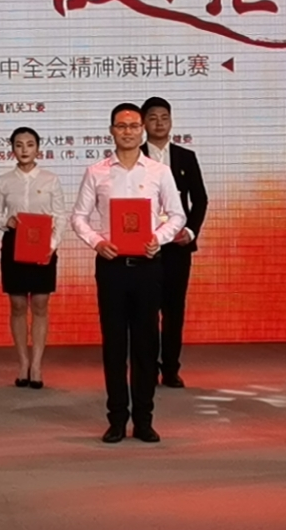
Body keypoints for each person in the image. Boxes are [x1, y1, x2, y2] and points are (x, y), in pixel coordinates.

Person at [72, 103, 186, 444]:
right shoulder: (96, 172)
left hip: (148, 267)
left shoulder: (158, 171)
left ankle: (145, 419)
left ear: (142, 130)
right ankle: (117, 418)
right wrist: (97, 242)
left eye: (134, 126)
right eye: (121, 126)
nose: (128, 132)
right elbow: (78, 217)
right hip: (111, 268)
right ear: (111, 131)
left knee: (146, 345)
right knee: (114, 344)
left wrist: (158, 239)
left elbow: (177, 215)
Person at [0, 127, 63, 389]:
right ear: (12, 149)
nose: (24, 150)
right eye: (19, 145)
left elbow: (60, 216)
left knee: (40, 304)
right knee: (18, 304)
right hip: (14, 245)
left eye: (30, 144)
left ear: (38, 149)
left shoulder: (50, 180)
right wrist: (5, 221)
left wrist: (52, 246)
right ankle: (22, 363)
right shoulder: (4, 181)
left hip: (43, 246)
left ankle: (37, 365)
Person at [140, 97, 207, 389]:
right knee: (145, 310)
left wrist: (190, 231)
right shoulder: (135, 156)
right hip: (145, 246)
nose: (159, 123)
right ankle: (147, 368)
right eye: (152, 117)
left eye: (164, 117)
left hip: (177, 245)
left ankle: (170, 368)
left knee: (174, 309)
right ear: (143, 123)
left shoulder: (185, 157)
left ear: (171, 121)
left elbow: (200, 199)